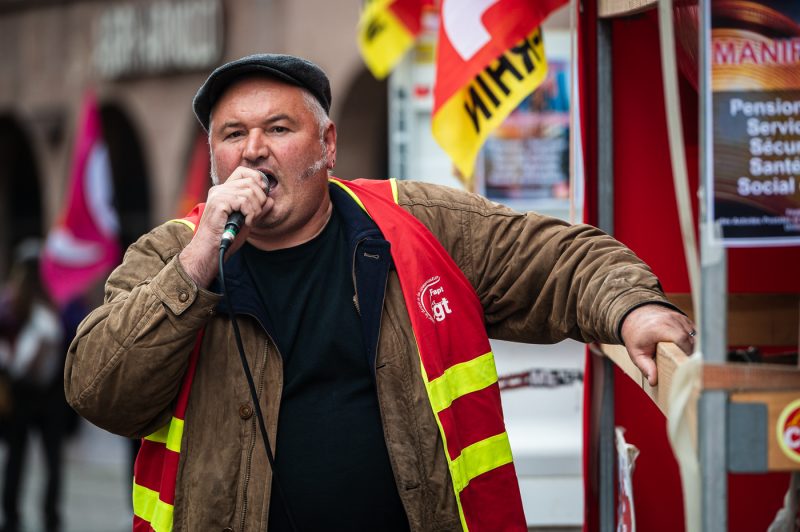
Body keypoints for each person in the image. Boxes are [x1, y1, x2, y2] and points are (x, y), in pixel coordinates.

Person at [64, 54, 695, 532]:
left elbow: (561, 258)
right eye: (232, 135)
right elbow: (97, 391)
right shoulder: (170, 253)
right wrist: (200, 260)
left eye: (278, 128)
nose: (252, 151)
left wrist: (633, 308)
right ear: (213, 161)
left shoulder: (412, 223)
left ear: (329, 145)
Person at [0, 241, 67, 532]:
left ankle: (12, 516)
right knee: (50, 459)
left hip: (23, 392)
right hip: (46, 394)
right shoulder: (52, 302)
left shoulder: (10, 302)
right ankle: (49, 517)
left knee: (18, 457)